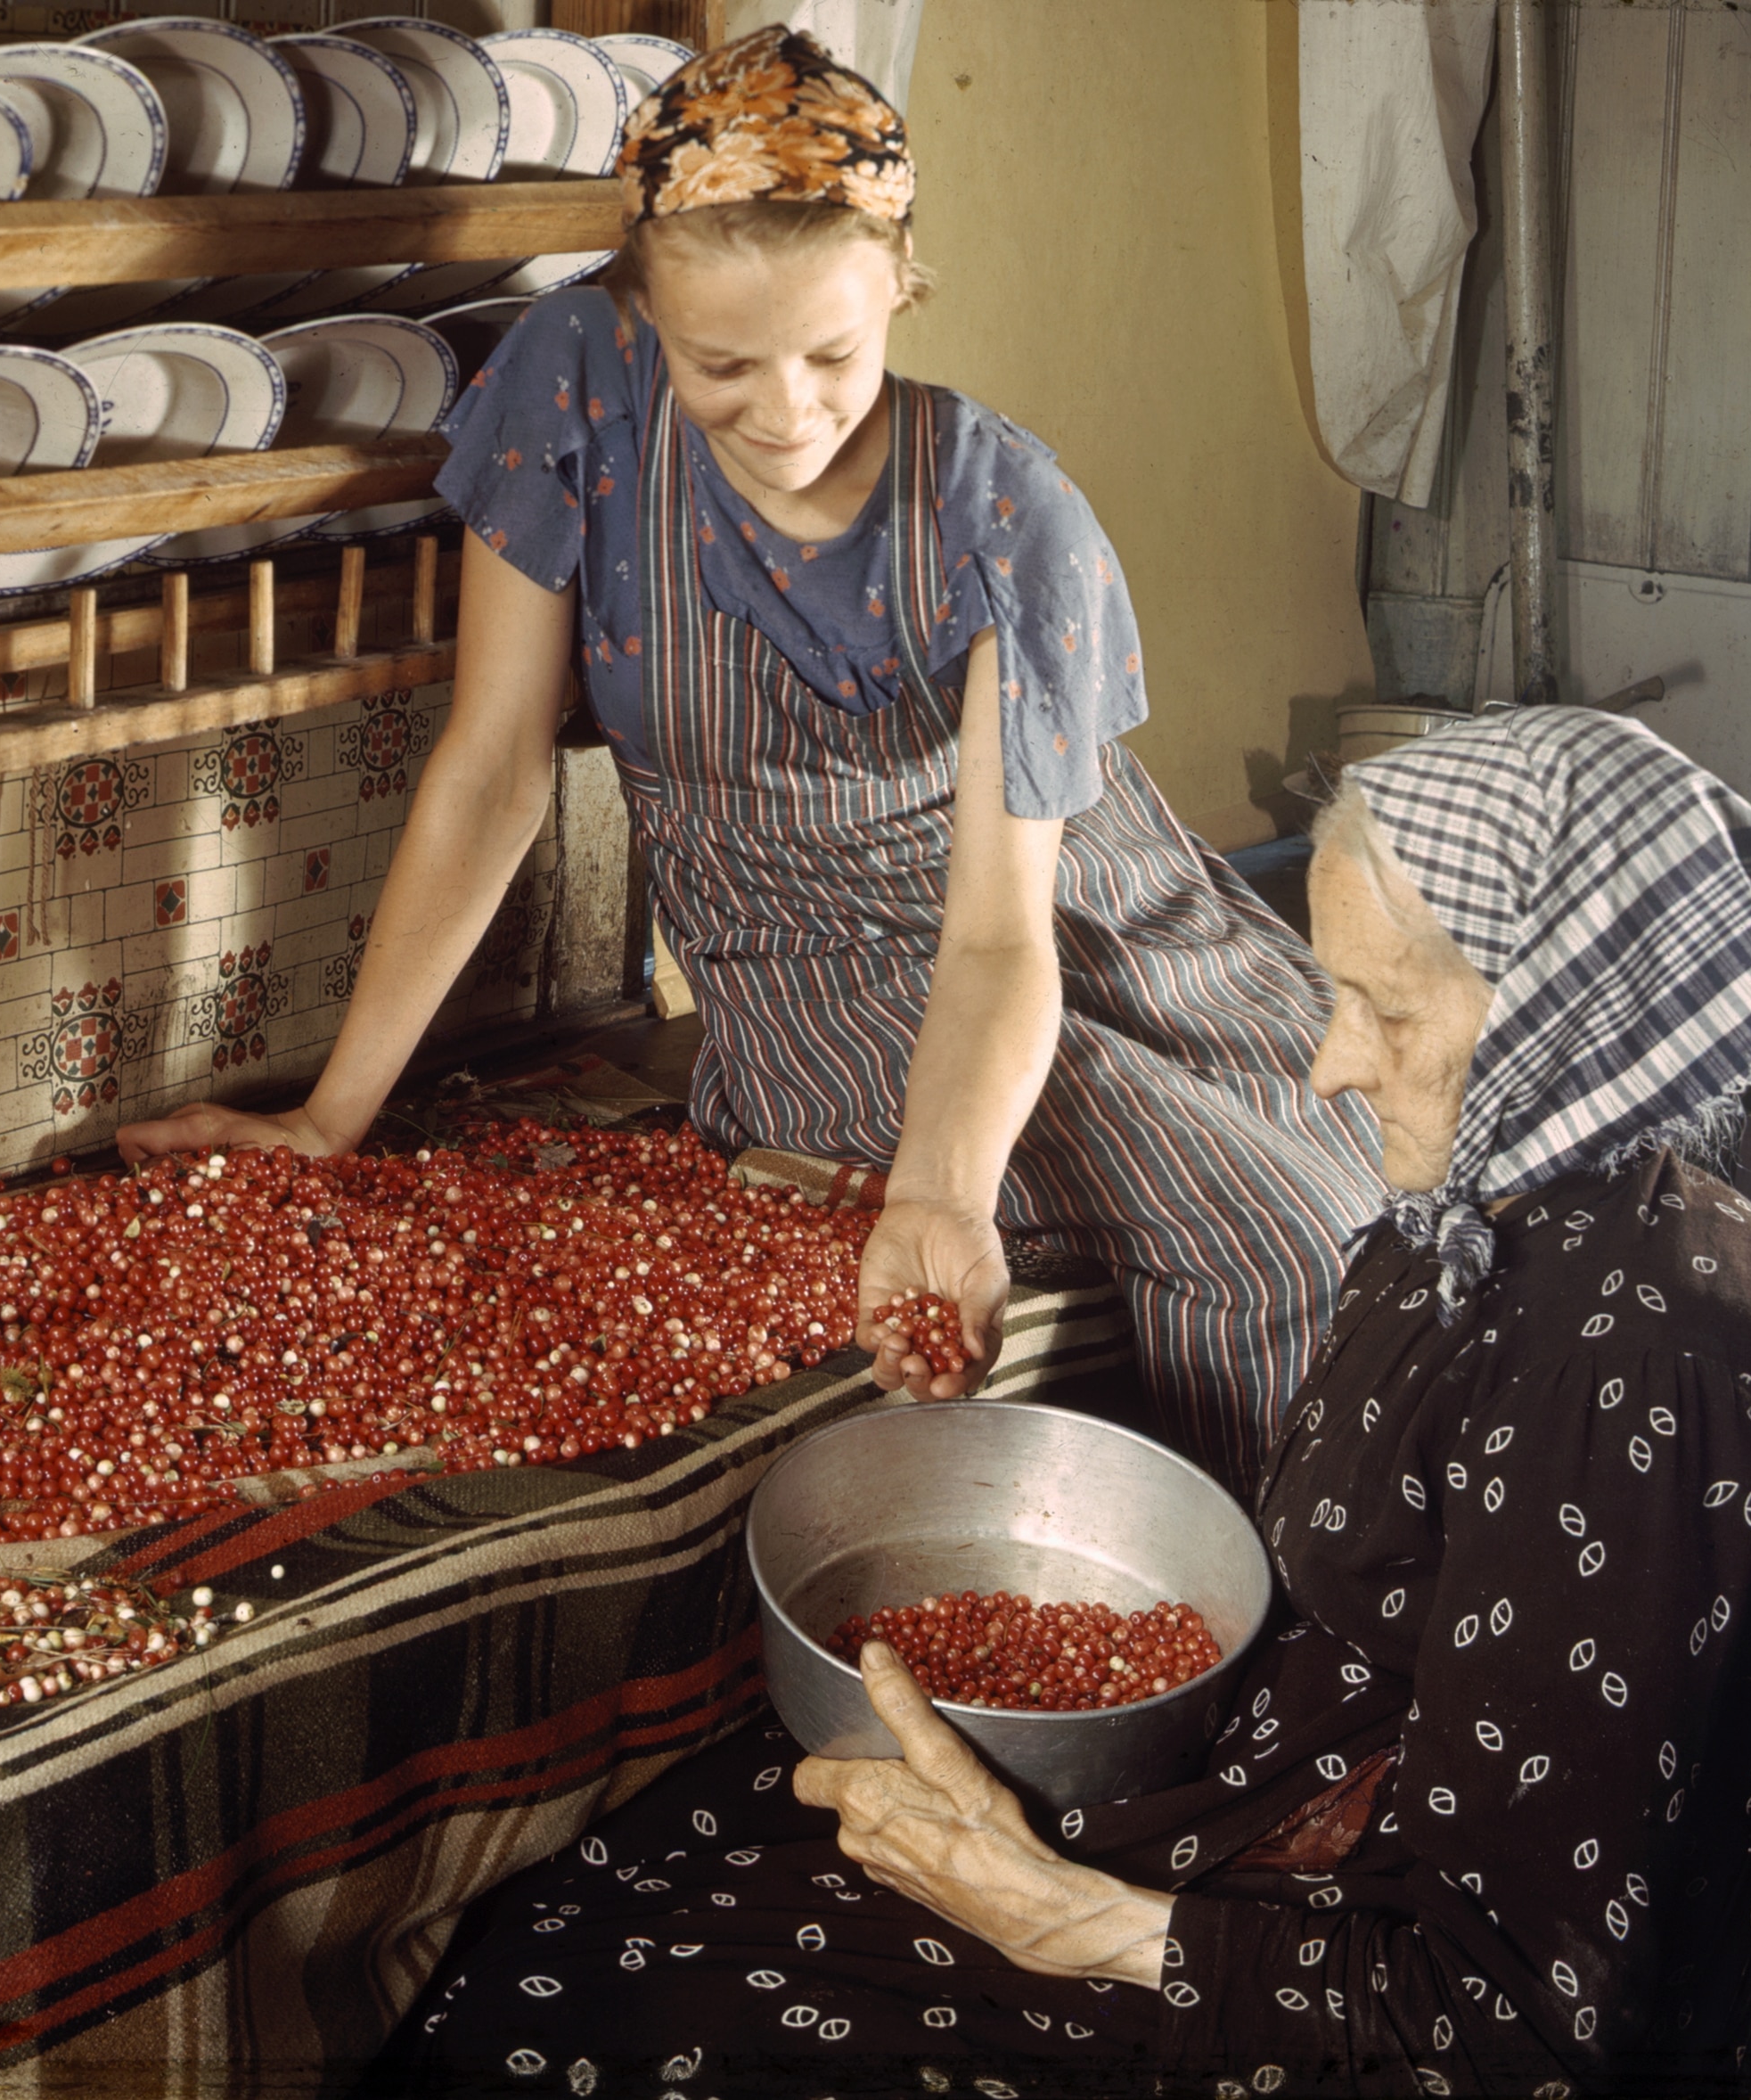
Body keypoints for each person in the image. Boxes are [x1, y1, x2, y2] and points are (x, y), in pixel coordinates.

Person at [368, 706, 1751, 2098]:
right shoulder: (1492, 1217)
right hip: (1324, 1812)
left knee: (625, 2019)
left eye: (1390, 1016)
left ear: (1576, 1020)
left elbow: (1521, 2022)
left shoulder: (1643, 1372)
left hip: (1419, 1997)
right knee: (637, 1888)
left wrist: (1067, 1916)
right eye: (1332, 997)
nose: (1328, 1072)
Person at [117, 28, 1382, 1490]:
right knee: (1263, 1231)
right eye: (722, 363)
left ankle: (1313, 1614)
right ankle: (1287, 1634)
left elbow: (998, 935)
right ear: (642, 308)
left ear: (901, 285)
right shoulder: (575, 386)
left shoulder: (1006, 509)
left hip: (1053, 915)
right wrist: (332, 1116)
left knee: (1363, 1167)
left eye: (836, 354)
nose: (784, 414)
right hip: (813, 964)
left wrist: (942, 1193)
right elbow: (491, 769)